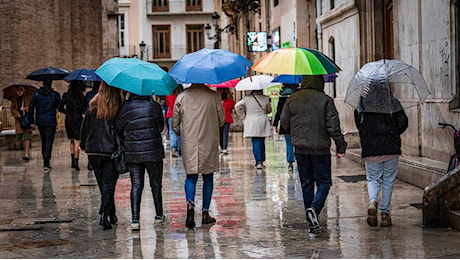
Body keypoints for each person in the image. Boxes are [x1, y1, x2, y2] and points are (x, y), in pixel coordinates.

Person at [280, 75, 347, 237]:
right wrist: (340, 145)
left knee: (307, 183)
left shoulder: (292, 99)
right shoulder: (326, 100)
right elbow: (333, 126)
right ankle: (315, 209)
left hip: (301, 149)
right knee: (324, 182)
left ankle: (310, 217)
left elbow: (284, 123)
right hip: (320, 148)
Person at [354, 80, 408, 228]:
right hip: (390, 147)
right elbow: (403, 122)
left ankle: (373, 201)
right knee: (388, 181)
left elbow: (358, 122)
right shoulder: (393, 102)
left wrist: (367, 134)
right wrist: (394, 134)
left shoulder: (363, 103)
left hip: (371, 147)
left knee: (372, 178)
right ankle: (385, 214)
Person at [172, 83, 224, 228]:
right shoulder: (214, 96)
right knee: (208, 176)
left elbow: (175, 124)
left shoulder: (181, 97)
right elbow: (221, 120)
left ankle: (190, 206)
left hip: (189, 141)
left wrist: (180, 133)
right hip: (209, 139)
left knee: (191, 176)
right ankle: (205, 212)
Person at [114, 92, 167, 231]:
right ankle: (159, 215)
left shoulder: (125, 107)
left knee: (136, 185)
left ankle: (135, 219)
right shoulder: (154, 106)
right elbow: (160, 127)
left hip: (133, 152)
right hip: (153, 152)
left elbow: (118, 127)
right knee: (156, 185)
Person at [80, 82, 124, 230]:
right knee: (109, 183)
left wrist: (83, 144)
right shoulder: (118, 105)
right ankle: (104, 214)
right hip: (110, 150)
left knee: (103, 184)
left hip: (93, 150)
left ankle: (111, 212)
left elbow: (84, 126)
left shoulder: (92, 105)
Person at [28, 78, 61, 171]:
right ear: (51, 84)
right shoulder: (55, 95)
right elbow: (59, 105)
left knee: (43, 140)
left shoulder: (37, 94)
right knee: (49, 141)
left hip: (40, 121)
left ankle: (45, 161)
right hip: (51, 120)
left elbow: (31, 107)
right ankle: (47, 162)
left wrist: (31, 121)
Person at [235, 89, 272, 169]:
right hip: (262, 121)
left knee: (255, 141)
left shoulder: (246, 99)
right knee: (262, 141)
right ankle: (262, 159)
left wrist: (242, 116)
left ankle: (258, 162)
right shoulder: (265, 98)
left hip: (251, 121)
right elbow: (269, 111)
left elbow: (237, 106)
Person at [58, 80, 87, 171]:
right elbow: (83, 110)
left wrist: (67, 112)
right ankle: (76, 161)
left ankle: (72, 161)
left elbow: (59, 108)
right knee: (77, 141)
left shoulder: (66, 95)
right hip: (78, 119)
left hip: (69, 119)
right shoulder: (82, 97)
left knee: (71, 140)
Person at [272, 84, 298, 171]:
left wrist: (275, 123)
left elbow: (279, 110)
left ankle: (290, 162)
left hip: (285, 122)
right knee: (298, 142)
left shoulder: (282, 95)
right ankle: (298, 159)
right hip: (297, 122)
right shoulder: (299, 94)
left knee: (289, 143)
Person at [10, 86, 33, 160]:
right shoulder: (14, 99)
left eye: (21, 91)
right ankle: (25, 151)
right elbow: (12, 108)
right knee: (22, 136)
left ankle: (26, 153)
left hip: (27, 119)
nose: (19, 92)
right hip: (19, 120)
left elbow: (32, 106)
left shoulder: (28, 98)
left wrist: (25, 108)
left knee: (27, 136)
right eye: (18, 91)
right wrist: (17, 114)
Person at [166, 85, 183, 157]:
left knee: (172, 132)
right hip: (179, 114)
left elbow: (167, 104)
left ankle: (173, 147)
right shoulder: (181, 95)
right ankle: (179, 149)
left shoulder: (168, 94)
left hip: (170, 114)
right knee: (179, 132)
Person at [218, 88, 236, 154]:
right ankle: (224, 148)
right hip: (227, 119)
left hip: (219, 119)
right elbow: (234, 107)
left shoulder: (218, 101)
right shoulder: (230, 101)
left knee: (220, 134)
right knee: (225, 133)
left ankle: (221, 146)